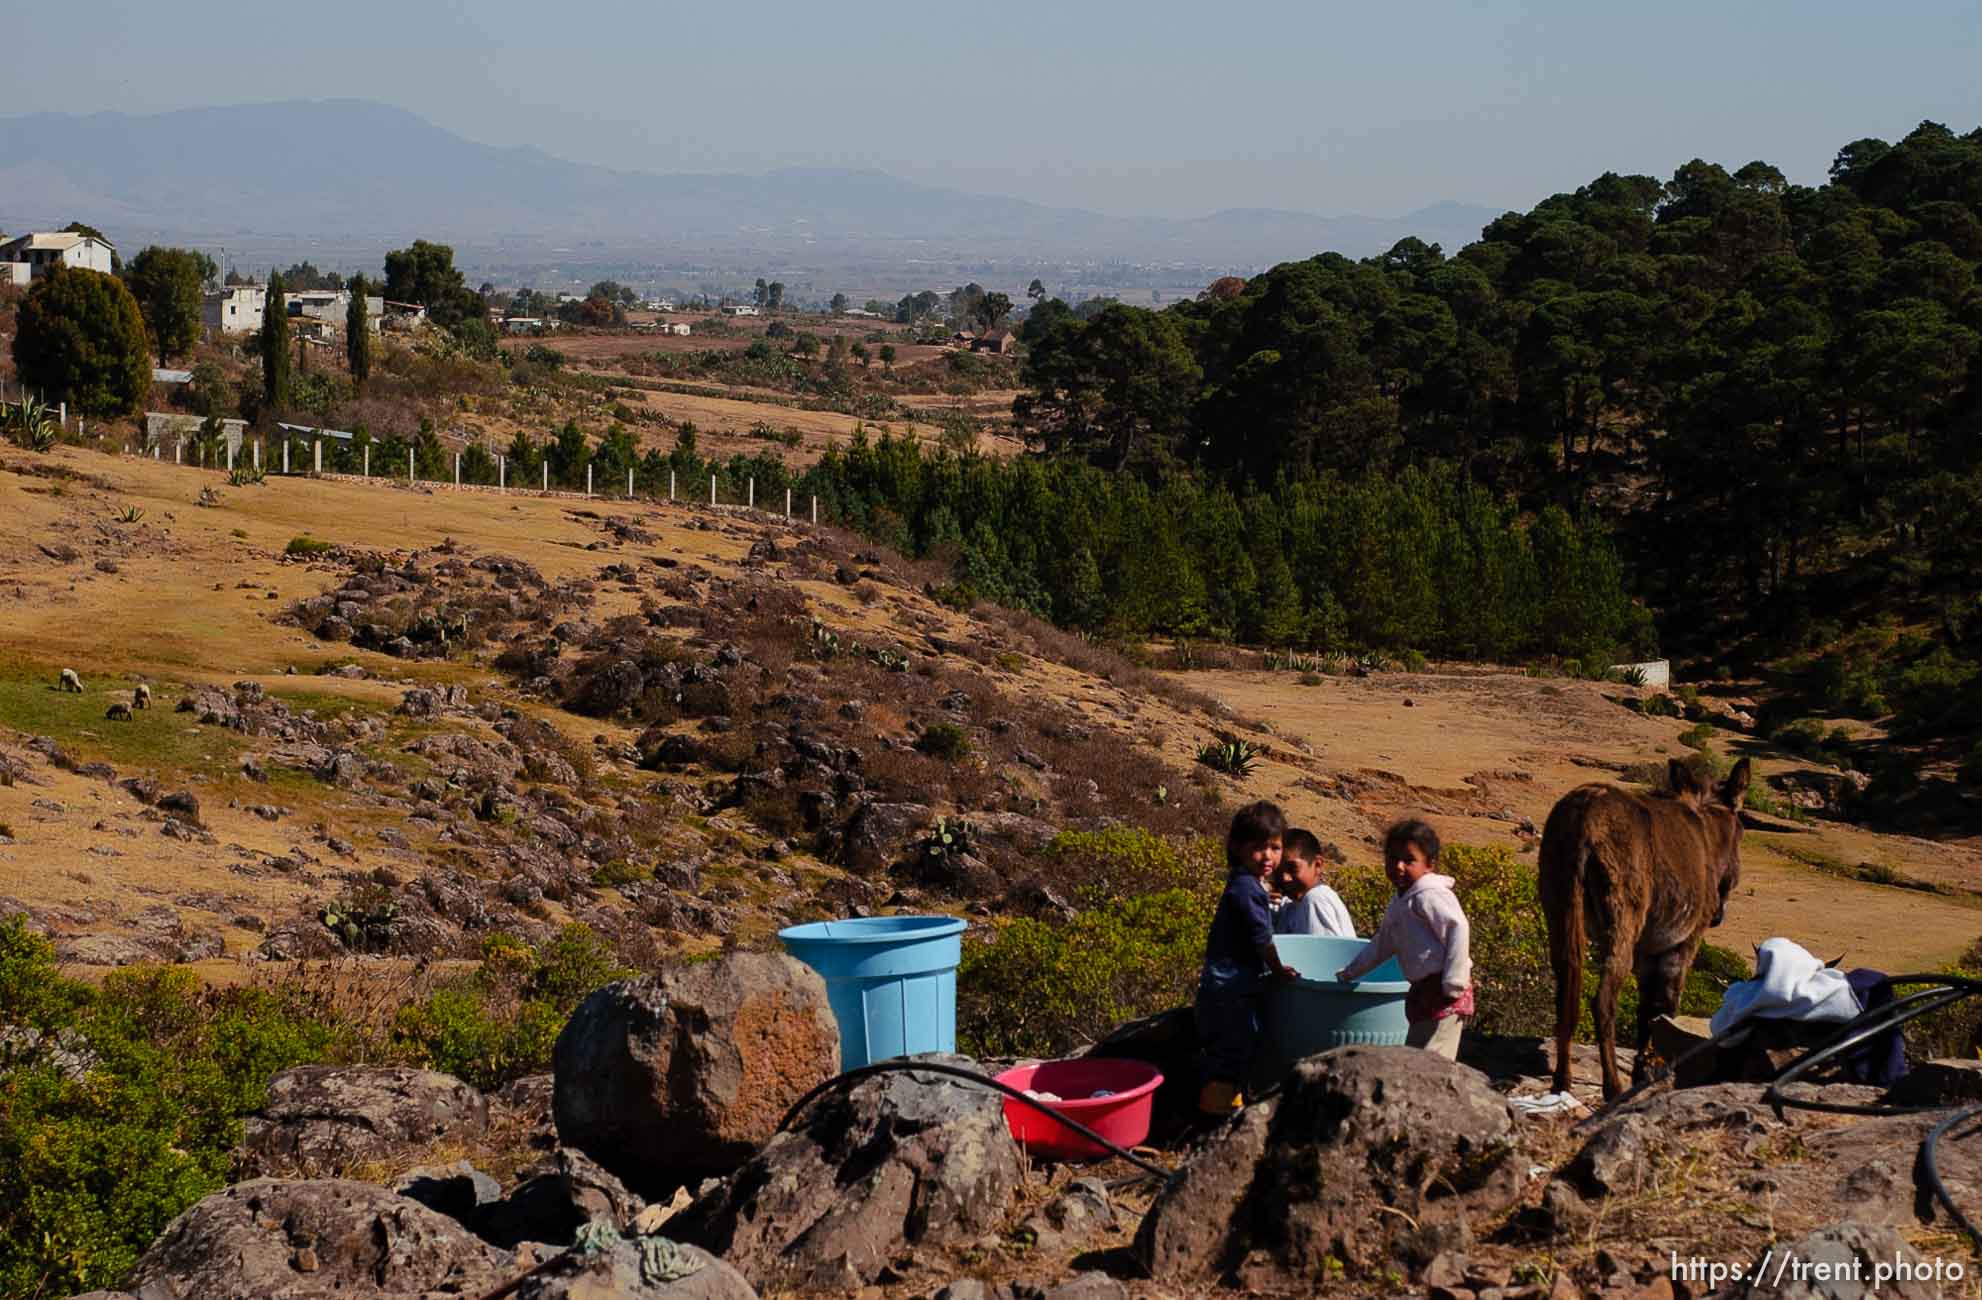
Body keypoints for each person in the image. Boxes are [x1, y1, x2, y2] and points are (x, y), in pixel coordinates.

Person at [1335, 819, 1473, 1059]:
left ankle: (1435, 1097)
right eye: (1392, 859)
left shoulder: (1429, 894)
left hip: (1444, 990)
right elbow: (1382, 944)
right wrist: (1351, 972)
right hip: (1423, 991)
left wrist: (1454, 981)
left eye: (1409, 860)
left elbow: (1457, 928)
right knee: (1417, 1054)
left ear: (1429, 864)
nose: (1398, 866)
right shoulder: (1401, 902)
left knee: (1434, 1058)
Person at [1195, 800, 1297, 1114]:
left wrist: (1263, 896)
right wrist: (1278, 969)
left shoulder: (1244, 882)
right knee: (1233, 1050)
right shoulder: (1248, 889)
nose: (1268, 856)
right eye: (1259, 848)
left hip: (1223, 982)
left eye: (1275, 847)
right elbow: (1262, 939)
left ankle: (1224, 1105)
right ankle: (1217, 1115)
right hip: (1232, 987)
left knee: (1229, 1051)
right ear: (1238, 848)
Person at [1271, 828, 1357, 937]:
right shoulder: (1290, 905)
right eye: (1278, 870)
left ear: (1317, 865)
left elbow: (1320, 951)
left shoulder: (1316, 899)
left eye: (1292, 868)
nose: (1284, 877)